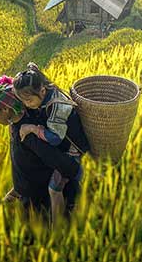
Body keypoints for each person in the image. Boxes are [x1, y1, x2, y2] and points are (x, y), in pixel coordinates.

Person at [0, 75, 83, 215]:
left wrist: (76, 172)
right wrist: (16, 189)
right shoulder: (15, 126)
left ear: (5, 109)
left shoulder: (28, 135)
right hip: (25, 192)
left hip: (37, 203)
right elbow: (24, 164)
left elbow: (58, 160)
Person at [13, 63, 89, 221]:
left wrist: (33, 129)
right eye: (23, 101)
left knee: (54, 189)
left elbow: (55, 139)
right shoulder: (43, 91)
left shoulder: (57, 107)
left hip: (71, 151)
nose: (27, 105)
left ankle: (57, 227)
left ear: (42, 91)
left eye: (29, 101)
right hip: (60, 143)